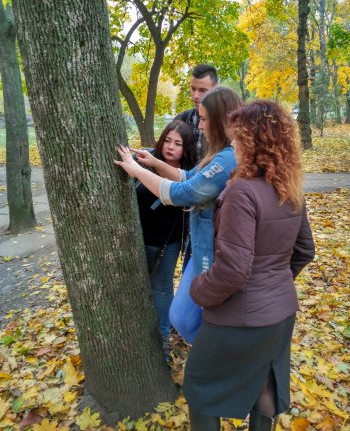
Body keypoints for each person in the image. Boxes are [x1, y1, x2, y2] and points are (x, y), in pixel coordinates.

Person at [183, 100, 315, 431]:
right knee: (265, 384)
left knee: (199, 386)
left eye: (238, 138)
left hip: (241, 318)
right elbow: (304, 251)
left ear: (253, 141)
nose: (234, 145)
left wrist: (199, 290)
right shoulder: (289, 187)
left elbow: (233, 270)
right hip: (281, 313)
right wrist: (274, 283)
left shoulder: (241, 192)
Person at [114, 86, 243, 344]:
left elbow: (183, 192)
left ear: (220, 120)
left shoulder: (228, 158)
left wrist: (136, 171)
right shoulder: (219, 154)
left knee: (187, 317)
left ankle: (217, 361)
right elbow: (188, 176)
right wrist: (153, 163)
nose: (201, 126)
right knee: (189, 317)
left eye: (205, 119)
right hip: (200, 248)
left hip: (211, 252)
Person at [135, 121, 197, 347]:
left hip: (164, 246)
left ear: (186, 148)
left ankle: (162, 341)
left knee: (161, 292)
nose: (170, 147)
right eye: (168, 140)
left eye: (178, 143)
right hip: (135, 241)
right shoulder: (146, 164)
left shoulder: (189, 178)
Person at [176, 64, 218, 159]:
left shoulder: (230, 125)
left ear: (216, 89)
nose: (195, 96)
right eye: (193, 89)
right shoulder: (182, 119)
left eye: (202, 90)